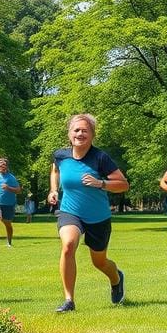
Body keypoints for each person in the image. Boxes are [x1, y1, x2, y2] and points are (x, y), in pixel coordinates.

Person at [48, 114, 130, 313]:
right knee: (68, 245)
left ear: (92, 135)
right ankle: (69, 300)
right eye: (76, 130)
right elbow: (55, 170)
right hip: (70, 212)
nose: (80, 133)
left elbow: (123, 184)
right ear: (69, 134)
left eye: (85, 130)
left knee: (99, 262)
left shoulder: (100, 158)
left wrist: (100, 183)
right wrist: (53, 190)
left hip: (98, 217)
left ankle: (116, 278)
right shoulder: (61, 155)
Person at [0, 157, 21, 248]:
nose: (1, 166)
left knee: (7, 223)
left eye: (3, 165)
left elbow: (18, 190)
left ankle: (9, 243)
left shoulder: (11, 178)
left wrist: (8, 188)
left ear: (6, 167)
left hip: (9, 204)